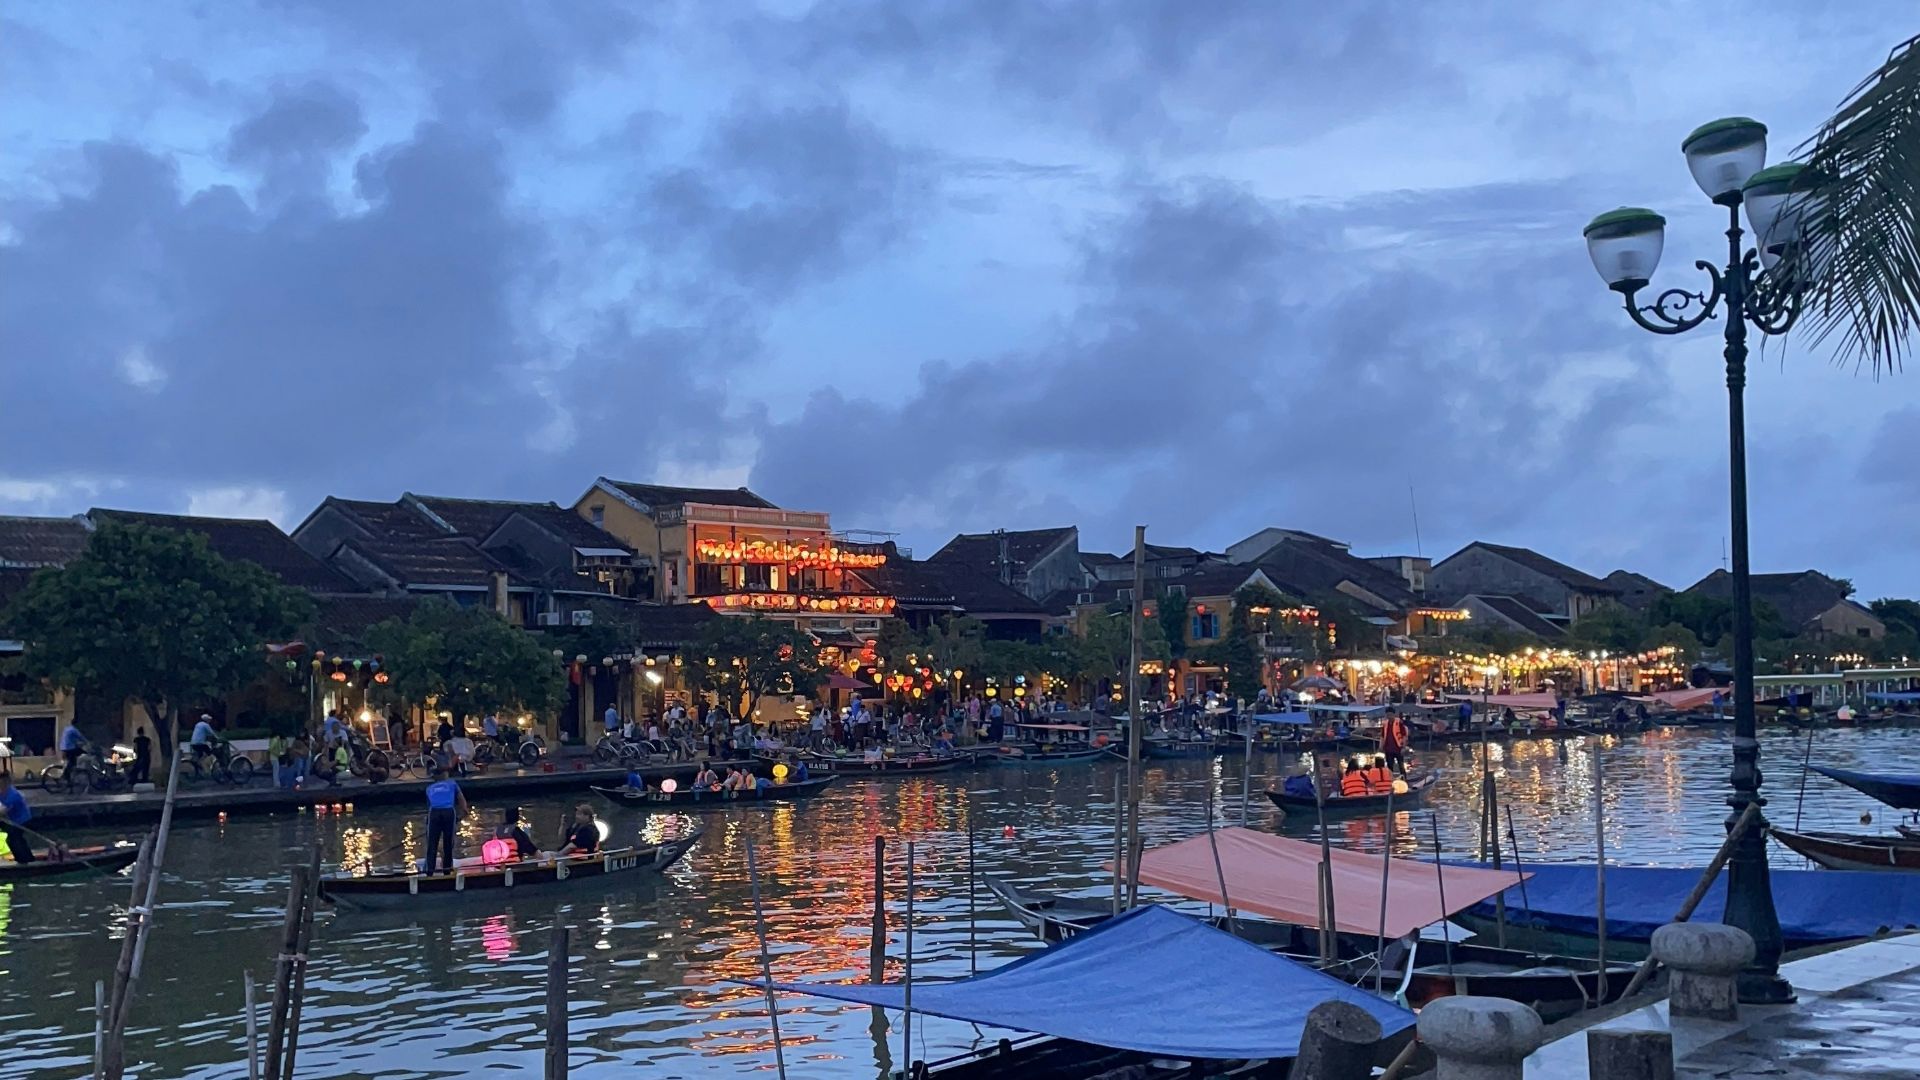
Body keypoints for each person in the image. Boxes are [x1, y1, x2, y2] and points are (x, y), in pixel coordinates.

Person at [423, 774, 468, 874]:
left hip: (434, 813)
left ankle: (429, 872)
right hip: (448, 811)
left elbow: (429, 807)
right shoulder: (452, 784)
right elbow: (461, 799)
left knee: (432, 844)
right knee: (448, 843)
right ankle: (447, 870)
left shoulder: (429, 788)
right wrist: (464, 812)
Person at [0, 773, 35, 864]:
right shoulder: (2, 792)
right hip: (11, 820)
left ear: (6, 782)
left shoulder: (13, 795)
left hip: (21, 821)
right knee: (15, 839)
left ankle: (23, 860)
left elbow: (3, 811)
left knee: (14, 838)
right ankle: (27, 858)